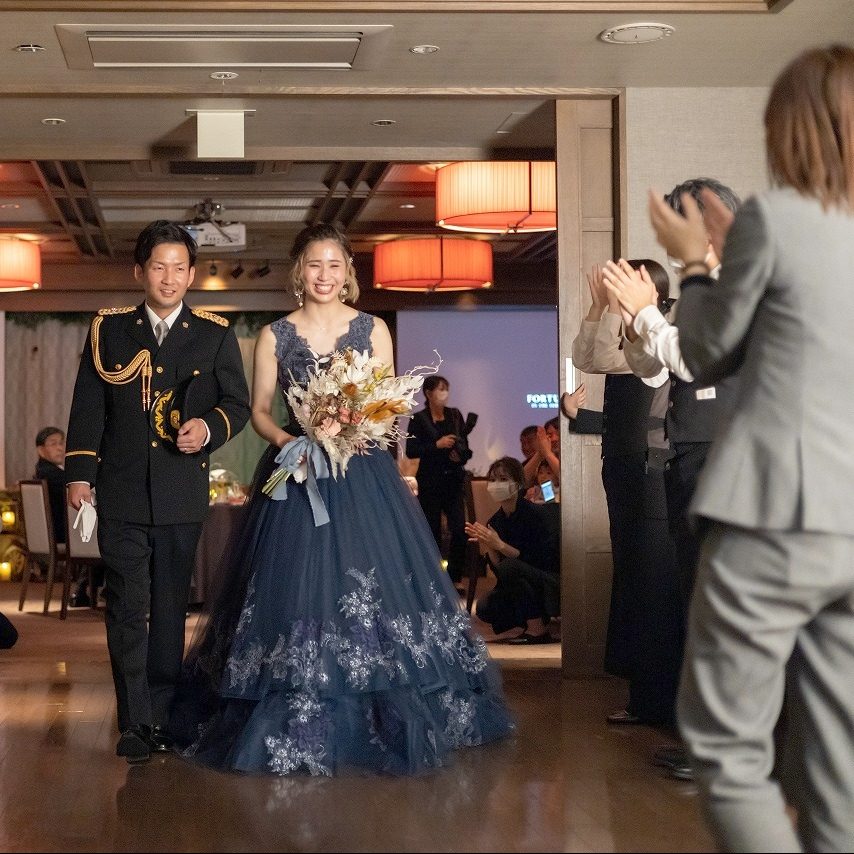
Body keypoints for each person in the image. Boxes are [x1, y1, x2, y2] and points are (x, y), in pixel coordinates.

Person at [169, 222, 514, 777]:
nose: (324, 275)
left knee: (369, 583)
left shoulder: (373, 328)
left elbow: (385, 404)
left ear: (347, 272)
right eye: (314, 264)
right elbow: (260, 411)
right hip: (298, 469)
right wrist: (292, 441)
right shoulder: (275, 335)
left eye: (334, 265)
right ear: (298, 271)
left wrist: (353, 431)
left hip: (361, 474)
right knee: (293, 585)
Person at [640, 45, 854, 853]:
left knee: (728, 747)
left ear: (788, 129)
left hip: (777, 512)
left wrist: (696, 262)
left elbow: (704, 352)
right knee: (837, 759)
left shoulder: (777, 218)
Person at [65, 219, 251, 765]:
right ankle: (134, 722)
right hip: (119, 493)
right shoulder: (109, 330)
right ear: (139, 272)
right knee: (126, 607)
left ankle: (164, 718)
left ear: (192, 275)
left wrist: (209, 428)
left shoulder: (214, 334)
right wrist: (79, 474)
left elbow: (237, 404)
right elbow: (87, 405)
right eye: (158, 267)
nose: (168, 278)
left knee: (170, 609)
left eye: (178, 268)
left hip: (180, 493)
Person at [603, 180, 742, 780]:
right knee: (696, 598)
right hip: (689, 453)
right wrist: (636, 325)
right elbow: (657, 369)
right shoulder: (698, 292)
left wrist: (645, 314)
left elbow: (699, 359)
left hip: (728, 454)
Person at [571, 260, 683, 730]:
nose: (617, 294)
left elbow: (601, 357)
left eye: (625, 286)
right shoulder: (634, 334)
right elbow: (584, 357)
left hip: (651, 467)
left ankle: (658, 701)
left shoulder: (664, 333)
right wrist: (598, 307)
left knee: (653, 581)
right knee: (632, 578)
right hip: (621, 464)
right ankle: (643, 697)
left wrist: (613, 308)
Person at [468, 456, 559, 644]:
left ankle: (537, 630)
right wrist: (490, 546)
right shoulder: (496, 521)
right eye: (493, 480)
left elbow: (539, 559)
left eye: (503, 479)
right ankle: (532, 619)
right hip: (523, 582)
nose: (496, 485)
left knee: (511, 566)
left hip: (549, 581)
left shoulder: (536, 514)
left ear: (518, 484)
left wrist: (500, 545)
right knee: (485, 607)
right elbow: (500, 572)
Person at [406, 375, 473, 590]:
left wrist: (458, 455)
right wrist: (437, 445)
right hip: (430, 481)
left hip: (453, 480)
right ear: (428, 393)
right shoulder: (419, 419)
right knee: (431, 531)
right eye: (440, 389)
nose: (444, 393)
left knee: (459, 529)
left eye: (446, 388)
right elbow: (411, 450)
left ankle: (455, 577)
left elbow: (465, 449)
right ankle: (433, 579)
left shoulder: (455, 415)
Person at [34, 427, 66, 548]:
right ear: (41, 450)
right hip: (62, 536)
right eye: (53, 444)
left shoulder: (41, 471)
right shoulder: (52, 475)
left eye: (61, 443)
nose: (60, 448)